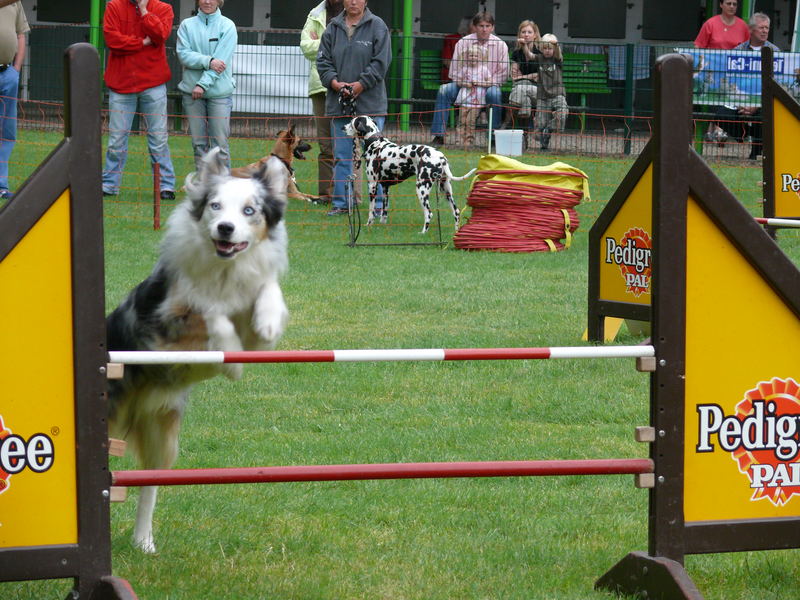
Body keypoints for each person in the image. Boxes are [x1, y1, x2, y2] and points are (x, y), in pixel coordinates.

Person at [317, 0, 390, 217]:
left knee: (376, 158)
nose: (353, 1)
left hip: (372, 104)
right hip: (339, 103)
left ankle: (378, 208)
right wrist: (335, 84)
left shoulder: (378, 26)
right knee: (341, 156)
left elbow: (381, 62)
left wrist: (360, 85)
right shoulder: (332, 27)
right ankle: (341, 203)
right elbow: (323, 62)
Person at [102, 0, 176, 200]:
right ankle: (109, 185)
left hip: (153, 83)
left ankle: (165, 186)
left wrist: (144, 11)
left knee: (158, 139)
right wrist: (141, 42)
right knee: (116, 139)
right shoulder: (114, 6)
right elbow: (112, 40)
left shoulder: (163, 8)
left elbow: (160, 35)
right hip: (121, 84)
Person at [430, 11, 509, 147]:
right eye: (481, 26)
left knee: (494, 94)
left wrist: (484, 83)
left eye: (487, 26)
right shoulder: (463, 42)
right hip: (464, 84)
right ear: (474, 26)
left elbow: (503, 74)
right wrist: (464, 82)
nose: (484, 29)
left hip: (489, 85)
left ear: (493, 27)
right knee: (444, 90)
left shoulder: (501, 45)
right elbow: (454, 71)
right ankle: (439, 135)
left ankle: (493, 137)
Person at [177, 0, 237, 170]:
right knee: (199, 145)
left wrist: (202, 85)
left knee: (220, 146)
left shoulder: (228, 26)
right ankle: (203, 190)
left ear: (219, 1)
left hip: (218, 95)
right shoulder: (186, 25)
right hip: (192, 93)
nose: (207, 1)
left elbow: (221, 61)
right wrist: (208, 61)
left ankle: (224, 190)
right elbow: (183, 55)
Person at [301, 0, 344, 205]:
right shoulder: (315, 13)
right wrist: (332, 41)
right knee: (326, 145)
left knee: (348, 146)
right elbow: (306, 48)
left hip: (346, 85)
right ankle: (327, 194)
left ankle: (349, 195)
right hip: (319, 87)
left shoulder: (353, 11)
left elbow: (352, 49)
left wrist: (322, 41)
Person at [724, 13, 780, 159]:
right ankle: (745, 134)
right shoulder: (737, 51)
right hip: (740, 102)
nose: (765, 31)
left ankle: (756, 150)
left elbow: (778, 85)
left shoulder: (776, 52)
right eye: (761, 27)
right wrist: (741, 104)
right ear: (751, 30)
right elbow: (730, 81)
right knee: (718, 112)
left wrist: (756, 105)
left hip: (764, 102)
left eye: (767, 28)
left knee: (764, 114)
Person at [695, 0, 749, 144]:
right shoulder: (710, 24)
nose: (732, 7)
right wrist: (702, 65)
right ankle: (716, 129)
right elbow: (698, 46)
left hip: (735, 73)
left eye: (734, 4)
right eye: (728, 3)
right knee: (712, 98)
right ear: (721, 4)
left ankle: (716, 129)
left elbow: (748, 49)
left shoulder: (743, 26)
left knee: (731, 100)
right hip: (713, 72)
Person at [0, 0, 28, 200]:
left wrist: (15, 70)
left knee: (8, 132)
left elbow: (20, 34)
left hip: (8, 72)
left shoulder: (15, 2)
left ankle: (1, 184)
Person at [504, 19, 540, 146]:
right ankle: (524, 137)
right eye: (523, 32)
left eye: (529, 32)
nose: (526, 34)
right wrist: (529, 77)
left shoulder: (540, 51)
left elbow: (540, 77)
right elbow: (513, 76)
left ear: (535, 34)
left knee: (520, 91)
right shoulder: (516, 53)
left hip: (538, 91)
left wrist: (523, 76)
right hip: (521, 89)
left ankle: (507, 125)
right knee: (523, 97)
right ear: (519, 35)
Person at [534, 33, 567, 151]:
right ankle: (544, 138)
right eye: (545, 48)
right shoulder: (539, 58)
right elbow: (529, 55)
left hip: (558, 93)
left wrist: (556, 45)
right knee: (541, 123)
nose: (547, 51)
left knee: (562, 113)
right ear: (541, 49)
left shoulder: (557, 59)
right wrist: (524, 46)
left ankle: (549, 129)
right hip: (543, 95)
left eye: (550, 48)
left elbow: (558, 53)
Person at [455, 45, 492, 147]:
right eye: (471, 55)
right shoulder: (464, 69)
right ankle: (459, 139)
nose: (473, 57)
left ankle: (469, 140)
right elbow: (458, 81)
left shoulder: (484, 69)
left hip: (477, 101)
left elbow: (490, 82)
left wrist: (479, 83)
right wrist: (465, 84)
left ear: (480, 57)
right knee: (461, 120)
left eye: (476, 55)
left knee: (470, 121)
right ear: (467, 57)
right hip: (464, 99)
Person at [441, 16, 472, 83]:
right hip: (454, 76)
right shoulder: (451, 39)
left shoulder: (480, 40)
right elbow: (447, 62)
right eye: (476, 25)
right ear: (467, 26)